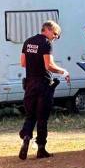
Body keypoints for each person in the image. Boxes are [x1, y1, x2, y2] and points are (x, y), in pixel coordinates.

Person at [19, 21, 70, 160]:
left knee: (30, 115)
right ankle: (41, 148)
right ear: (48, 30)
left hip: (30, 84)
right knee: (42, 117)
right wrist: (63, 71)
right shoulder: (46, 43)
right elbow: (49, 65)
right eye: (55, 34)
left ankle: (27, 136)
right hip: (43, 84)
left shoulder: (28, 42)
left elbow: (23, 63)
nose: (55, 38)